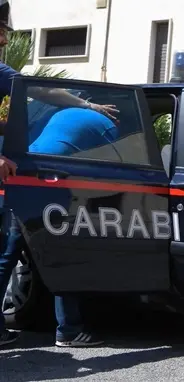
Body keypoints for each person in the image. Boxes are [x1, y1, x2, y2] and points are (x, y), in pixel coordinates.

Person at [0, 19, 119, 347]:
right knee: (60, 251)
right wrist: (90, 106)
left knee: (8, 253)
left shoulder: (45, 114)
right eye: (4, 32)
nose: (5, 40)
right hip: (45, 186)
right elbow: (118, 158)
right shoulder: (96, 119)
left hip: (22, 178)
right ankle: (68, 329)